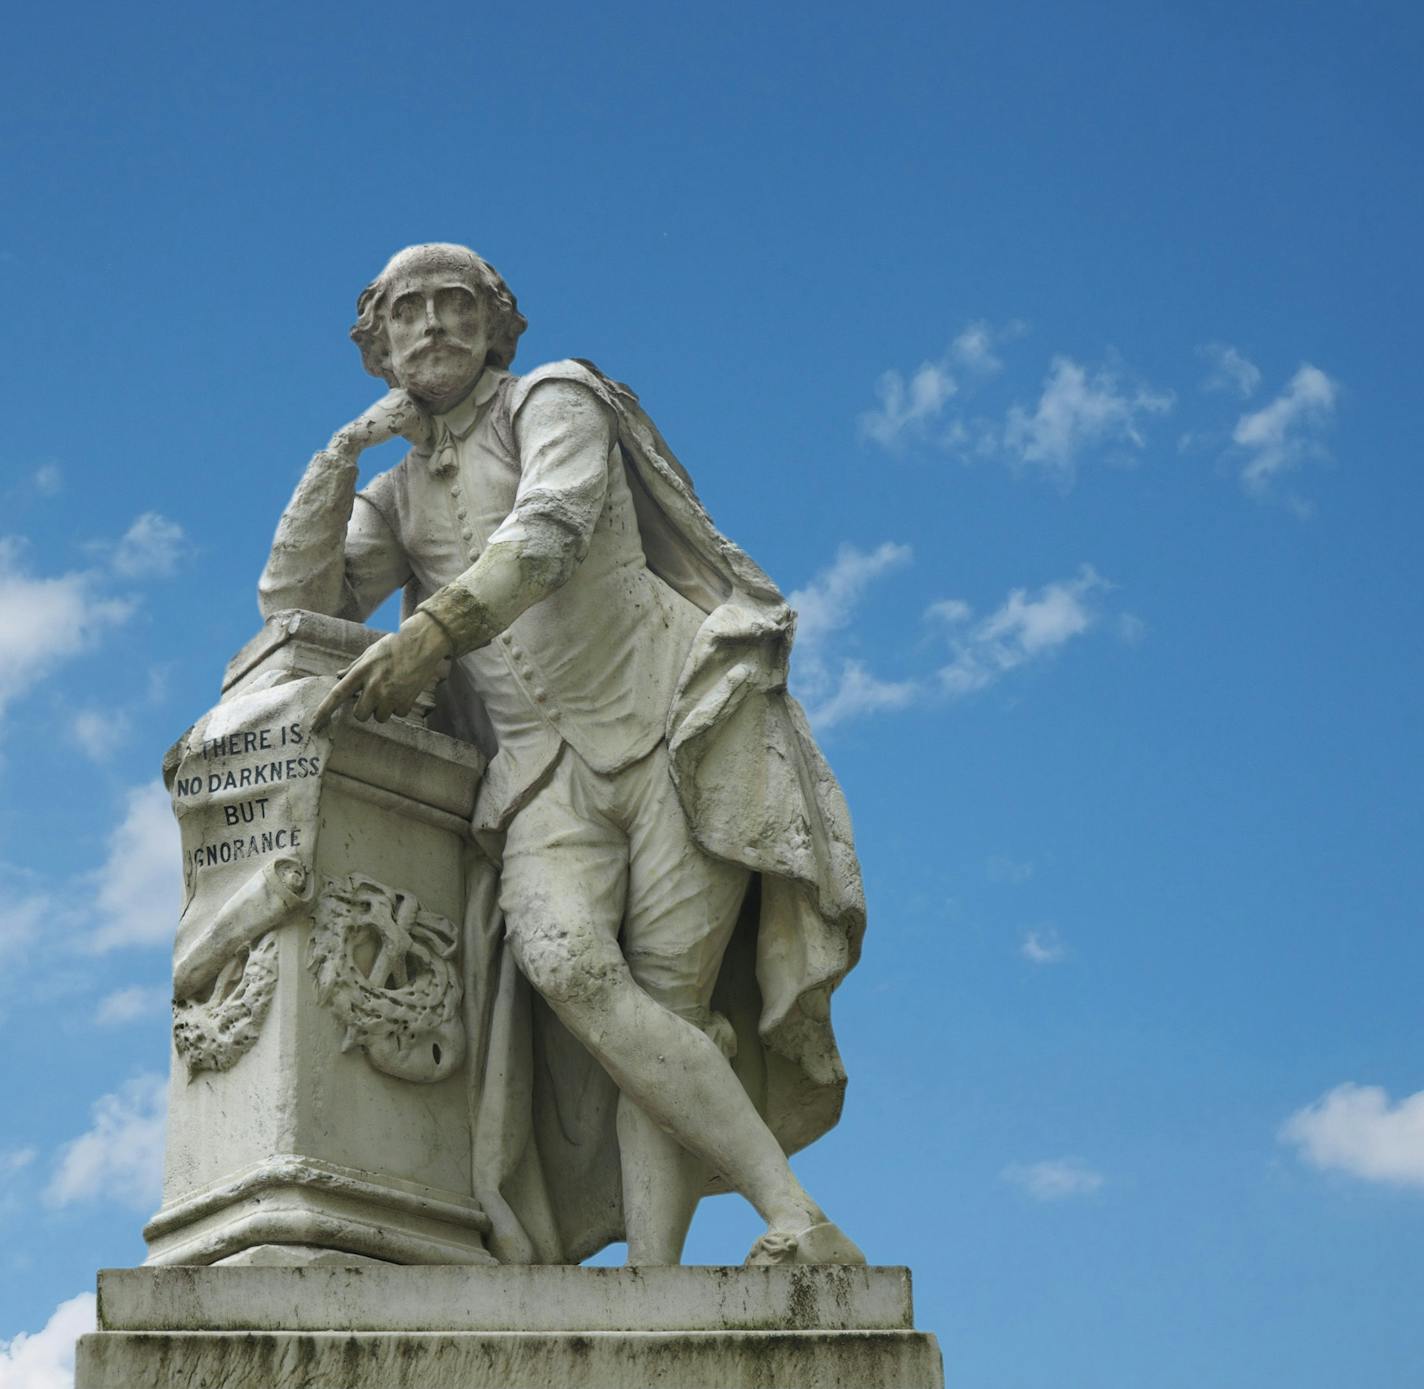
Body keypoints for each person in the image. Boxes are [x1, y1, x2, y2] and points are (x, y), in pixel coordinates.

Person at [259, 243, 867, 1265]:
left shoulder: (554, 396)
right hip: (537, 773)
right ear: (377, 347)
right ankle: (796, 1212)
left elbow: (549, 530)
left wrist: (434, 634)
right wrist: (341, 457)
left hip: (673, 728)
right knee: (573, 973)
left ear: (496, 325)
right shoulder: (400, 492)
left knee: (662, 1005)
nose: (434, 326)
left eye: (457, 305)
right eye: (407, 314)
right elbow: (297, 604)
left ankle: (672, 1280)